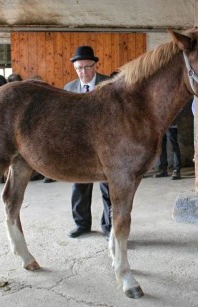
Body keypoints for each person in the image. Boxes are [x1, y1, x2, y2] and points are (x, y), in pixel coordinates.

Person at [64, 46, 112, 240]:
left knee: (108, 187)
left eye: (87, 67)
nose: (83, 72)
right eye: (79, 68)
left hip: (106, 145)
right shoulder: (69, 88)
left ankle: (109, 227)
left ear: (95, 65)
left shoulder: (108, 84)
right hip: (80, 146)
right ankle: (82, 224)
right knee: (79, 187)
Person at [153, 114, 182, 180]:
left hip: (171, 122)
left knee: (174, 146)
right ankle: (163, 169)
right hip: (160, 124)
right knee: (161, 146)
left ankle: (176, 170)